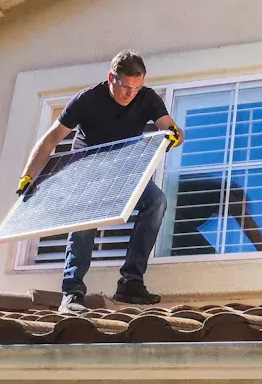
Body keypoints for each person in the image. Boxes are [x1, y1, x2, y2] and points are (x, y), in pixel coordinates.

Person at [16, 50, 183, 314]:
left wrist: (174, 136)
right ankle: (72, 293)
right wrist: (29, 175)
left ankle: (131, 282)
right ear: (111, 79)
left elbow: (170, 127)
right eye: (126, 87)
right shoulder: (87, 99)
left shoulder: (147, 98)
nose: (131, 94)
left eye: (136, 88)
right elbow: (51, 139)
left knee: (156, 201)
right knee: (85, 217)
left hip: (125, 168)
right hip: (88, 170)